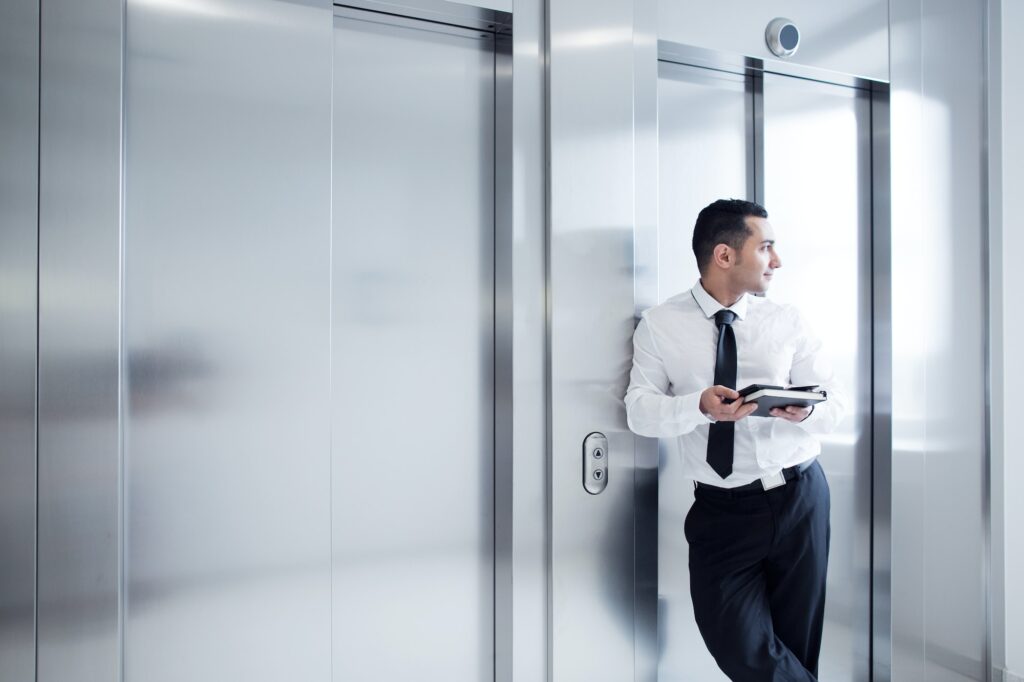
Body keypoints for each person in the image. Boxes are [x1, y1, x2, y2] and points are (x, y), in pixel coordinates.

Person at [624, 198, 845, 681]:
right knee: (741, 645)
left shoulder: (788, 321)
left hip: (800, 496)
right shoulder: (661, 325)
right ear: (724, 256)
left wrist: (805, 411)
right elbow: (639, 412)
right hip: (721, 511)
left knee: (794, 644)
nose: (777, 261)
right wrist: (696, 406)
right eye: (766, 247)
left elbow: (837, 410)